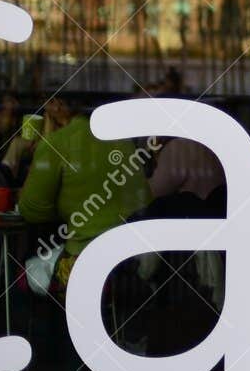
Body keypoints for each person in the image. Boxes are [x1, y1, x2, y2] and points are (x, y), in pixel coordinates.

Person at [16, 95, 151, 293]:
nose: (45, 109)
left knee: (19, 277)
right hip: (126, 262)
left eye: (49, 103)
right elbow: (141, 200)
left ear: (58, 105)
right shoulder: (123, 141)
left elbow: (31, 211)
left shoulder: (57, 143)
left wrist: (45, 142)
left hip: (83, 262)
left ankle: (43, 323)